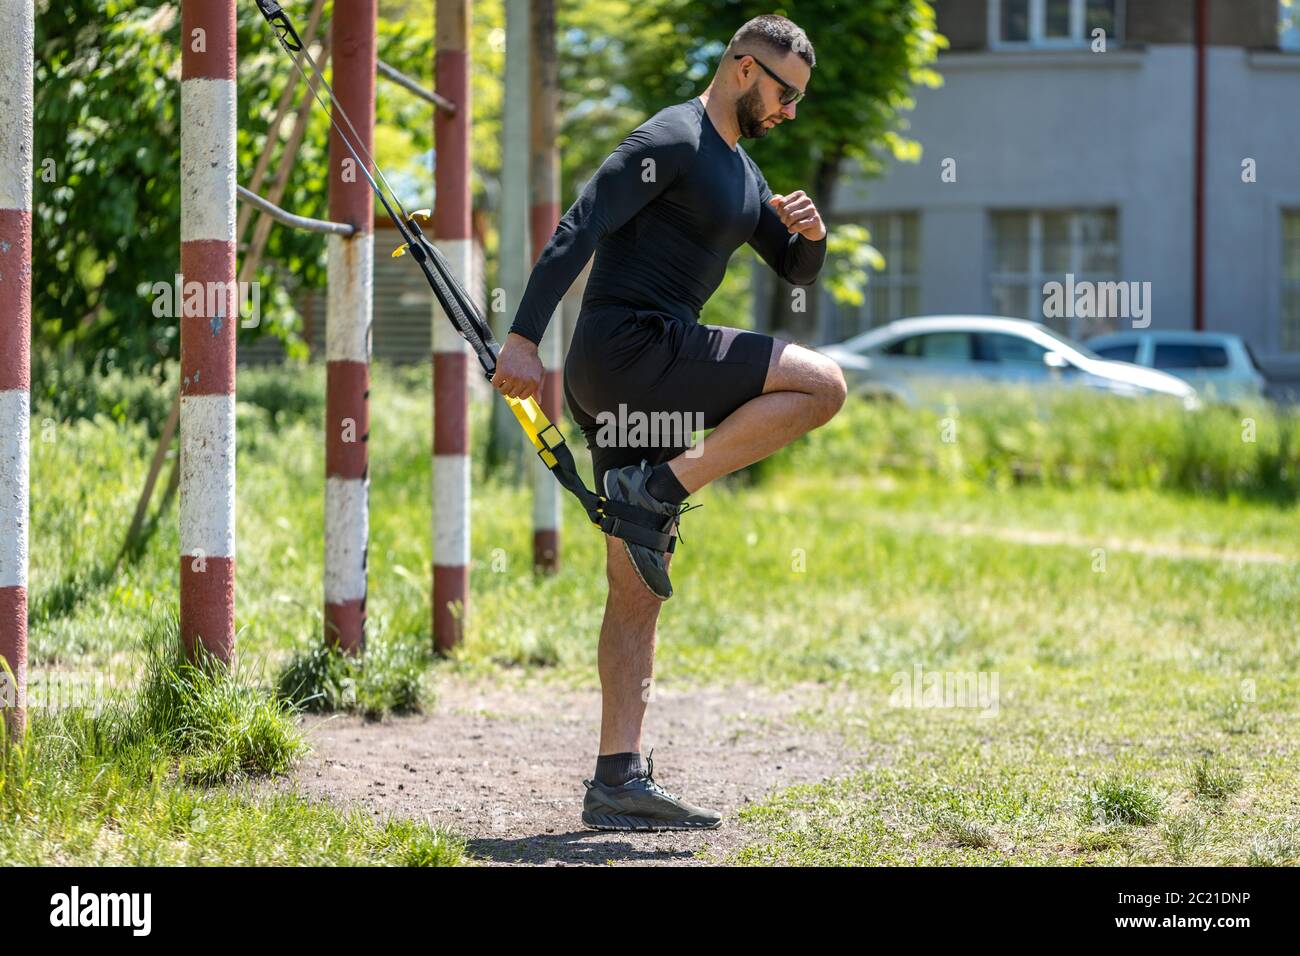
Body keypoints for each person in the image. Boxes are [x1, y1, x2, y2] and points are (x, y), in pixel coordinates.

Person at [491, 14, 847, 831]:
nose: (791, 111)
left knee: (635, 582)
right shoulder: (676, 138)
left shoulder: (743, 173)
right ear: (744, 68)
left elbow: (790, 267)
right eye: (786, 93)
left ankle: (617, 776)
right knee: (822, 386)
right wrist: (521, 337)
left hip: (639, 376)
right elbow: (583, 222)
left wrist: (814, 238)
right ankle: (661, 485)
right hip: (631, 349)